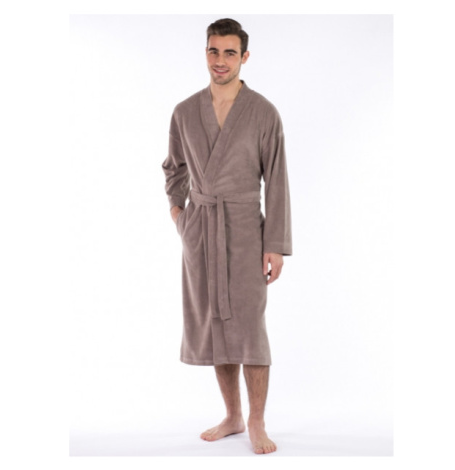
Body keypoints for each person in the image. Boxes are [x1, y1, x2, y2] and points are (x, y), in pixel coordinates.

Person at [161, 18, 292, 455]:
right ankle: (233, 415)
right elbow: (173, 169)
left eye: (230, 53)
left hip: (247, 229)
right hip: (201, 229)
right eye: (214, 51)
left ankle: (256, 420)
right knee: (216, 324)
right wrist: (180, 215)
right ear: (206, 53)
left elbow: (277, 180)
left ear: (244, 57)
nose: (220, 60)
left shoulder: (263, 112)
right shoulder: (184, 111)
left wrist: (275, 244)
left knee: (249, 328)